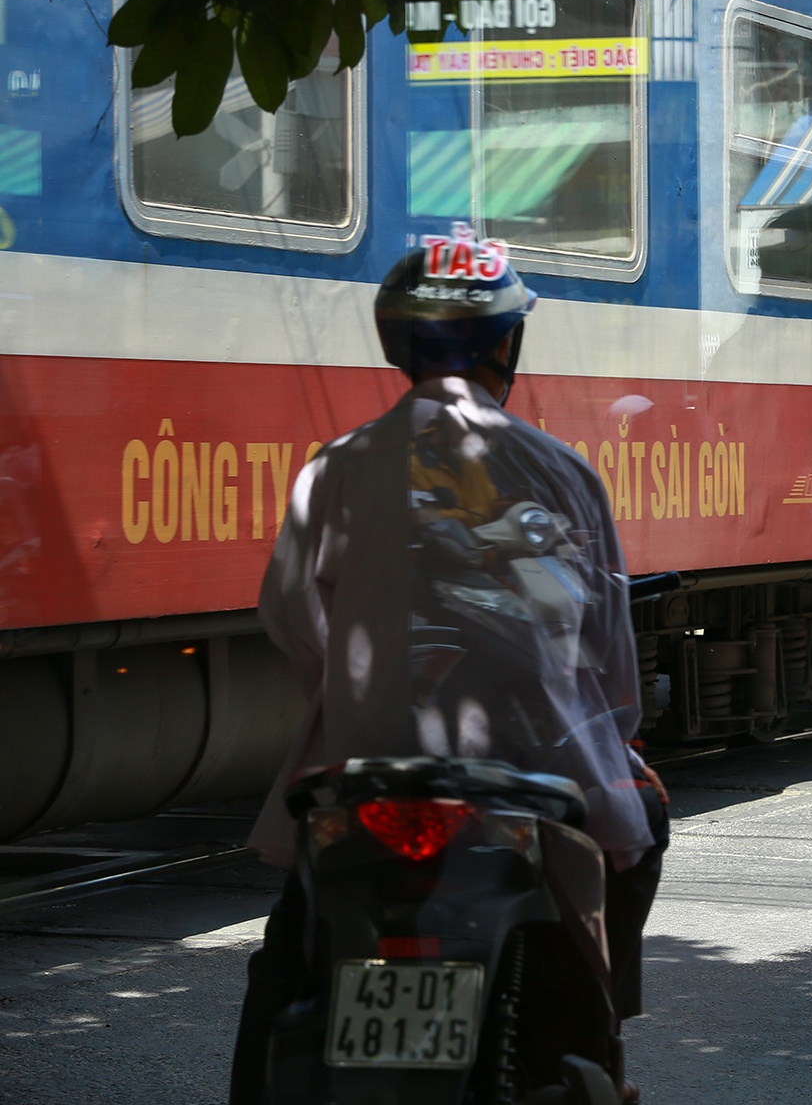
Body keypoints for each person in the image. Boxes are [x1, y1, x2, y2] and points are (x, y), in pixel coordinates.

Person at [229, 243, 667, 1104]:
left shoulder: (336, 467)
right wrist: (614, 734)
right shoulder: (564, 470)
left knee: (291, 950)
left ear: (397, 347)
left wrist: (357, 688)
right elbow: (610, 665)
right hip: (543, 781)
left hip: (367, 774)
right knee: (644, 818)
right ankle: (598, 1015)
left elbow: (288, 616)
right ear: (506, 343)